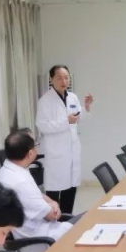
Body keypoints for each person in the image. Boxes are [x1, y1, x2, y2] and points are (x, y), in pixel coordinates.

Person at [0, 130, 82, 252]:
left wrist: (51, 202)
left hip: (40, 232)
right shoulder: (20, 182)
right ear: (30, 153)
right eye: (36, 145)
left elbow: (38, 195)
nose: (37, 147)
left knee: (88, 219)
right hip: (41, 241)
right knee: (89, 222)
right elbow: (53, 215)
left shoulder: (9, 170)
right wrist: (54, 204)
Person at [36, 65, 94, 214]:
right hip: (56, 153)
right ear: (51, 79)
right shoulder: (45, 101)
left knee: (71, 188)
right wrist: (65, 121)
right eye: (59, 78)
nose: (64, 81)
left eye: (66, 78)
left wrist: (86, 108)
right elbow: (43, 126)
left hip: (72, 151)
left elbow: (77, 118)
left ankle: (67, 219)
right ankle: (53, 220)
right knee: (54, 192)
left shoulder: (72, 97)